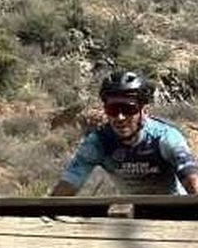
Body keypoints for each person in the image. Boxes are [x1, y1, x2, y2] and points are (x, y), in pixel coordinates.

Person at [51, 70, 198, 196]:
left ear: (144, 111)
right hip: (132, 215)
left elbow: (193, 183)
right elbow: (69, 184)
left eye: (128, 109)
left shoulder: (165, 137)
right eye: (113, 109)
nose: (120, 117)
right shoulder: (98, 142)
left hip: (175, 210)